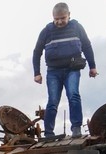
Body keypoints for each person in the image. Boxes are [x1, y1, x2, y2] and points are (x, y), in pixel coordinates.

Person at [32, 2, 98, 138]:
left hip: (72, 69)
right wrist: (37, 73)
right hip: (53, 72)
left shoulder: (77, 27)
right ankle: (49, 133)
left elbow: (87, 46)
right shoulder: (46, 31)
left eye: (63, 18)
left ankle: (76, 128)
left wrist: (92, 67)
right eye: (56, 19)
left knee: (73, 95)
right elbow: (37, 52)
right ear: (53, 17)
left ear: (69, 15)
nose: (60, 21)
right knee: (53, 101)